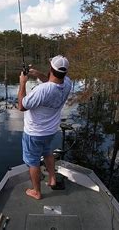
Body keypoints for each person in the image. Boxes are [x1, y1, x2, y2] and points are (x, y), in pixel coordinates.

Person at [17, 55, 72, 200]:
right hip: (51, 131)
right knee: (47, 153)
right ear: (65, 72)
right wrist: (38, 74)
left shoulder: (42, 90)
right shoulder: (67, 83)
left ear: (51, 69)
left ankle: (37, 191)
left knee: (33, 161)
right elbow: (52, 81)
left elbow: (21, 106)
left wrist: (22, 83)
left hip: (34, 133)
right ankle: (52, 178)